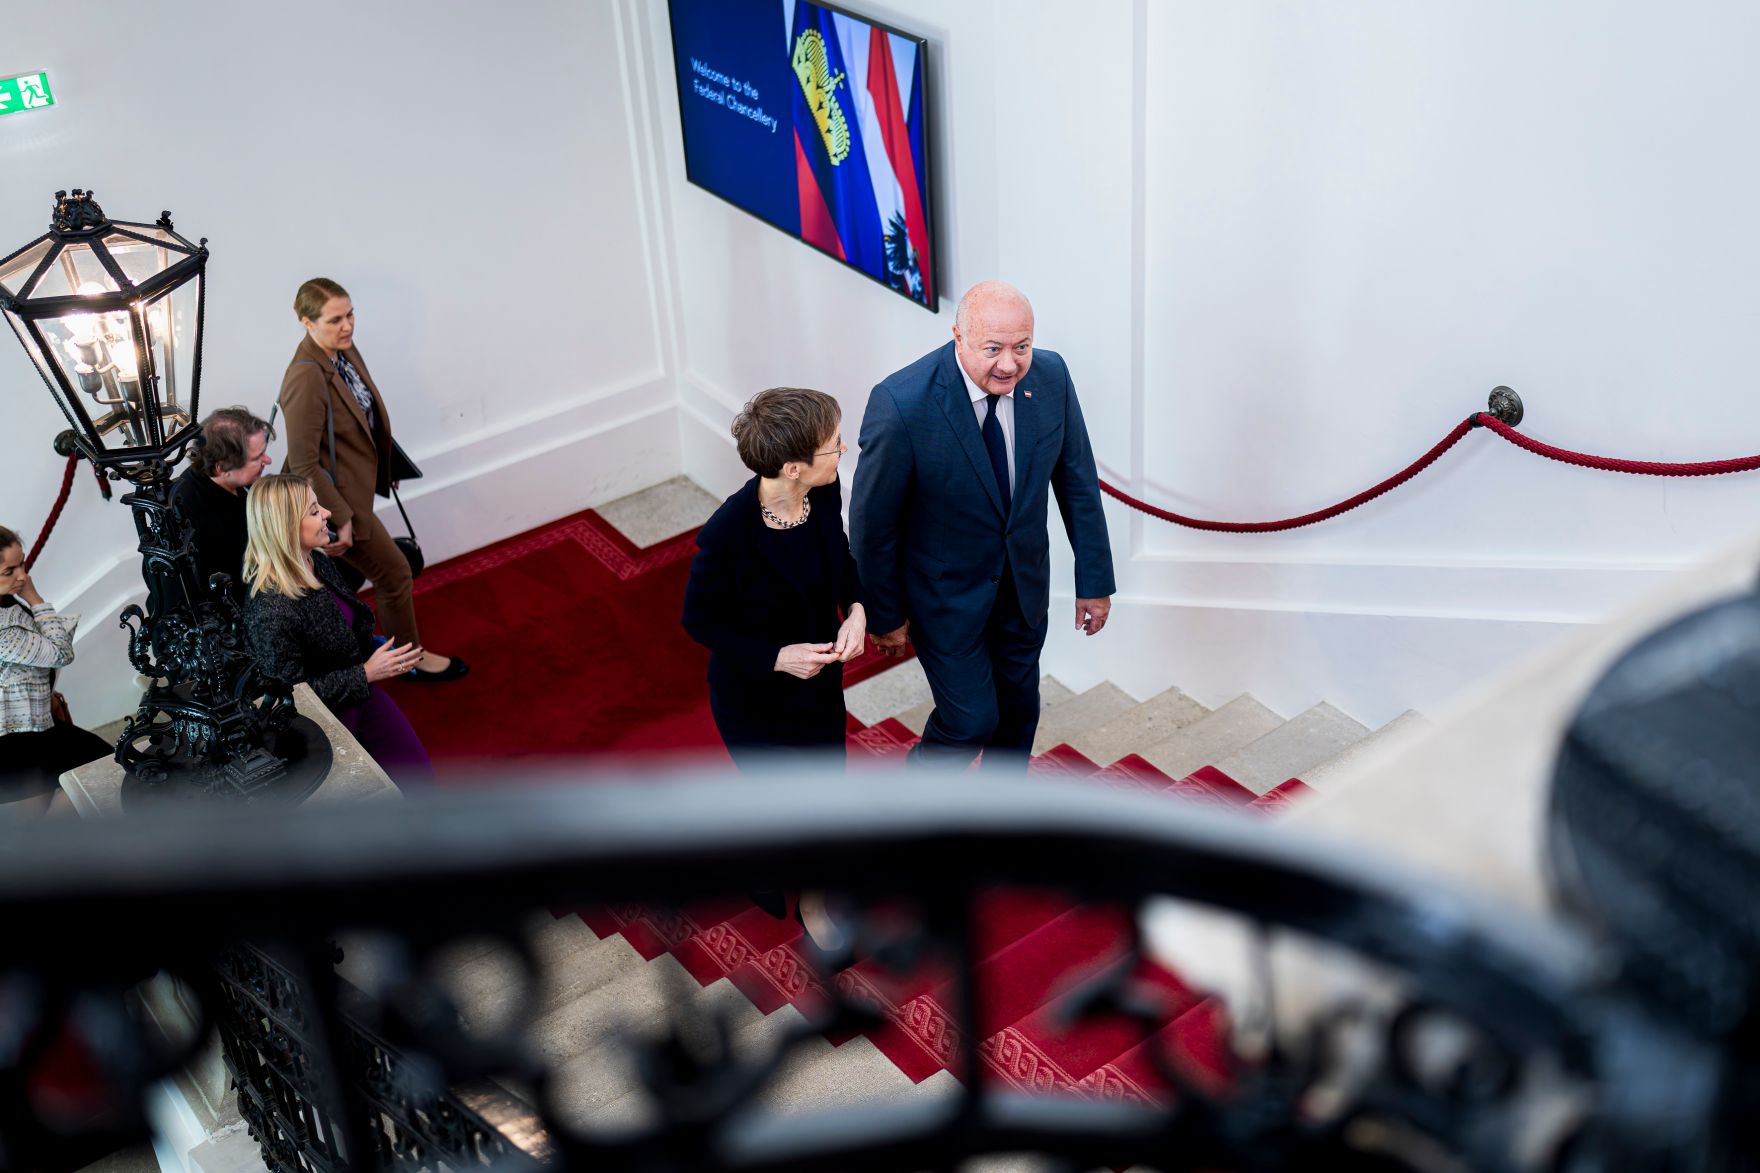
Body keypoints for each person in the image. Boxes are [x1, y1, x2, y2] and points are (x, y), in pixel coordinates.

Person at [849, 280, 1115, 771]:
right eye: (993, 349)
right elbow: (873, 526)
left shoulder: (1052, 376)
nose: (1010, 364)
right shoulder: (902, 403)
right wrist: (884, 615)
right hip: (943, 599)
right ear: (959, 337)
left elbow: (1077, 482)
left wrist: (1094, 582)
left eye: (1022, 347)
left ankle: (1000, 810)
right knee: (970, 720)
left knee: (1018, 714)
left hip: (1024, 589)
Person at [681, 388, 864, 945]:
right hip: (754, 701)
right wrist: (777, 657)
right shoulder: (728, 535)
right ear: (792, 467)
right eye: (834, 445)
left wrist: (857, 609)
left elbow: (841, 561)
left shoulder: (823, 492)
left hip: (818, 692)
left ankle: (811, 896)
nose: (843, 451)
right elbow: (698, 620)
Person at [279, 277, 466, 681]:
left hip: (353, 489)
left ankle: (358, 649)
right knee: (394, 572)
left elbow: (362, 419)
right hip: (334, 500)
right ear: (307, 323)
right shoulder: (305, 378)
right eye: (334, 320)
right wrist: (341, 517)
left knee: (349, 577)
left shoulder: (342, 351)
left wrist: (386, 466)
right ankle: (408, 661)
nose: (347, 326)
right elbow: (303, 462)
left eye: (350, 315)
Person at [241, 474, 435, 789]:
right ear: (287, 526)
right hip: (324, 725)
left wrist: (376, 653)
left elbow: (345, 625)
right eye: (314, 511)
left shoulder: (316, 560)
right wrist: (366, 673)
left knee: (420, 779)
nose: (328, 513)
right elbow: (290, 699)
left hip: (360, 694)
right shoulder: (269, 610)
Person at [0, 526, 112, 813]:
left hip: (33, 726)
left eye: (22, 564)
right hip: (16, 739)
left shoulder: (6, 601)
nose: (22, 577)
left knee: (89, 773)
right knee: (103, 769)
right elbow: (60, 653)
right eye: (9, 571)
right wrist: (35, 599)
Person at [171, 406, 275, 602]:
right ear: (222, 468)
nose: (268, 460)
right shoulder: (192, 519)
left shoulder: (236, 483)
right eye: (257, 457)